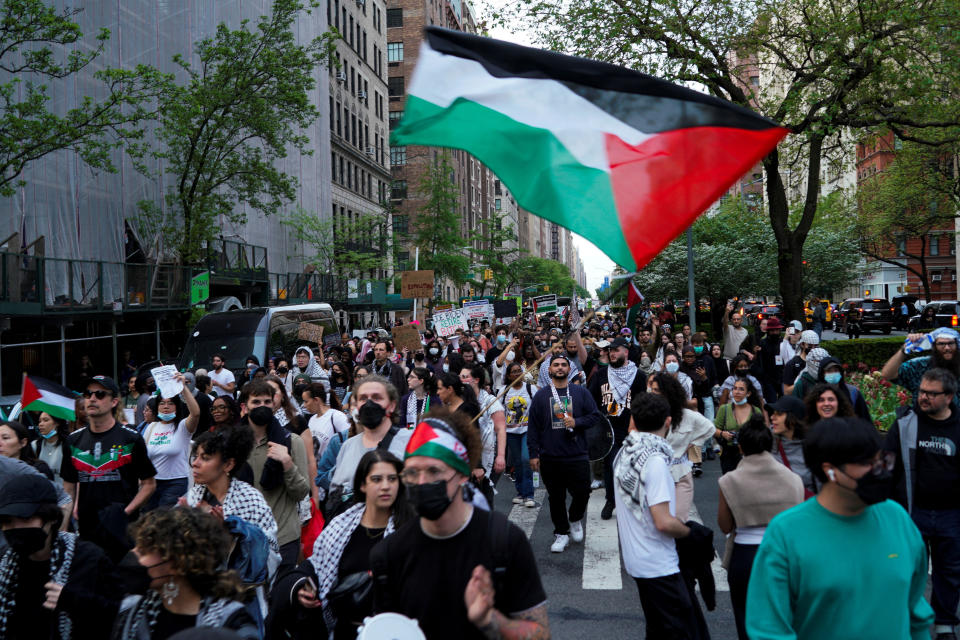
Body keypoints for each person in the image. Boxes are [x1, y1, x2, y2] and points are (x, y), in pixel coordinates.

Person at [746, 417, 934, 639]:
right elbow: (769, 629)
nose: (880, 470)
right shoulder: (787, 533)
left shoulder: (897, 518)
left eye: (881, 460)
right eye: (867, 464)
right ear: (830, 471)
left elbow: (915, 608)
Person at [371, 411, 550, 639]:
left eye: (434, 471)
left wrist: (490, 620)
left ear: (463, 474)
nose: (422, 482)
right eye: (412, 473)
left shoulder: (504, 540)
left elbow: (540, 633)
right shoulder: (389, 554)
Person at [277, 450, 412, 640]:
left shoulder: (407, 532)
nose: (385, 486)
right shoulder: (342, 525)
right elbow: (316, 567)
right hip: (342, 630)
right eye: (377, 479)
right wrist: (304, 589)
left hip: (388, 632)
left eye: (392, 479)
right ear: (363, 485)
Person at [614, 392, 709, 640]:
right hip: (659, 565)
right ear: (668, 422)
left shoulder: (626, 452)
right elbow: (664, 521)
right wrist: (691, 532)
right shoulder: (654, 461)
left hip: (638, 561)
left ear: (633, 419)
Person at [885, 368, 960, 640]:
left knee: (949, 572)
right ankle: (910, 621)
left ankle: (944, 624)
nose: (924, 398)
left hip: (951, 514)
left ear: (949, 397)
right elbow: (887, 466)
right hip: (912, 512)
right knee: (910, 570)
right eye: (922, 392)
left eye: (932, 393)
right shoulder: (906, 423)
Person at [0, 474, 121, 640]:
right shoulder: (4, 563)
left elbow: (117, 615)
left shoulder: (89, 560)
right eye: (7, 521)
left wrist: (74, 601)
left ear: (51, 518)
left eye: (25, 518)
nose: (15, 528)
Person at [717, 416, 804, 640]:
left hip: (744, 555)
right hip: (782, 553)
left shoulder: (729, 480)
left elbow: (725, 525)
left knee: (746, 620)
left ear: (740, 447)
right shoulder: (793, 479)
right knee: (783, 618)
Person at [113, 507, 259, 639]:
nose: (132, 556)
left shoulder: (230, 622)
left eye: (144, 551)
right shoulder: (131, 611)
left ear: (178, 562)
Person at [61, 375, 157, 561]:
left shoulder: (131, 438)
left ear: (114, 401)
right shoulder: (73, 441)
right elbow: (68, 489)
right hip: (88, 531)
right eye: (88, 394)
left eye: (99, 394)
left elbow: (149, 484)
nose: (92, 398)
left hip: (123, 531)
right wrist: (64, 526)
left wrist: (126, 512)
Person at [527, 354, 603, 553]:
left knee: (583, 492)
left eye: (563, 365)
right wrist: (533, 453)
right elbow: (533, 427)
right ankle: (561, 533)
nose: (560, 368)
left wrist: (577, 422)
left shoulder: (580, 392)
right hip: (550, 456)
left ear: (569, 370)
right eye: (556, 365)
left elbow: (595, 416)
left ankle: (576, 518)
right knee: (556, 497)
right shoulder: (541, 395)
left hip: (576, 453)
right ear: (549, 370)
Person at [238, 380, 310, 574]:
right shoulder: (232, 444)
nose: (263, 407)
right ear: (244, 407)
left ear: (274, 405)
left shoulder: (291, 442)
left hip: (283, 538)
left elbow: (301, 492)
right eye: (256, 402)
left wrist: (287, 463)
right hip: (244, 538)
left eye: (267, 402)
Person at [327, 376, 412, 508]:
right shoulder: (348, 446)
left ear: (391, 405)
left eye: (377, 397)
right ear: (356, 406)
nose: (369, 403)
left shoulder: (410, 441)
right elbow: (336, 492)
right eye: (363, 398)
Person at [589, 337, 648, 520]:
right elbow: (592, 400)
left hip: (631, 428)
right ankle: (610, 500)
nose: (612, 354)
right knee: (610, 466)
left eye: (616, 350)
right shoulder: (601, 374)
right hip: (608, 428)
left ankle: (631, 500)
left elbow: (644, 403)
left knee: (631, 466)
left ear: (626, 352)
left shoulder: (638, 376)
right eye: (610, 351)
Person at [647, 373, 715, 520]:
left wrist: (691, 444)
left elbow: (709, 428)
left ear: (668, 392)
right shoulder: (649, 414)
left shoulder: (687, 415)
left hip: (680, 476)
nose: (653, 393)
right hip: (655, 476)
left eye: (657, 390)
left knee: (677, 520)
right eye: (652, 389)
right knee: (657, 522)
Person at [142, 375, 201, 510]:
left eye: (170, 403)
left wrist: (183, 388)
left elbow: (196, 413)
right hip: (152, 483)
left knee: (166, 523)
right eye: (162, 403)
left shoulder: (182, 427)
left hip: (175, 483)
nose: (166, 406)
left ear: (177, 406)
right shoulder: (151, 427)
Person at [459, 364, 507, 506]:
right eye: (460, 377)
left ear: (476, 380)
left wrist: (501, 456)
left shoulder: (490, 401)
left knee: (485, 495)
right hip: (466, 456)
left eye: (465, 377)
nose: (461, 380)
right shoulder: (460, 400)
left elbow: (501, 428)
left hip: (489, 455)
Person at [883, 327, 960, 406]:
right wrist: (904, 349)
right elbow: (888, 375)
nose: (947, 348)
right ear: (934, 346)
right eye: (941, 344)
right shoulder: (919, 365)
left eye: (950, 343)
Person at [501, 362, 538, 508]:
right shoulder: (503, 391)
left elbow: (539, 406)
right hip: (510, 432)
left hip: (527, 431)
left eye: (519, 371)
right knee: (517, 462)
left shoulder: (531, 388)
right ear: (509, 376)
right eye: (513, 372)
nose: (517, 374)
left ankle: (529, 494)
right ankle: (520, 493)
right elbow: (499, 411)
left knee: (525, 459)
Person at [766, 395, 815, 495]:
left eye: (779, 414)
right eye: (773, 413)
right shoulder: (768, 441)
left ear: (793, 419)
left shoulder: (813, 446)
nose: (772, 417)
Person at [714, 379, 764, 474]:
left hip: (750, 454)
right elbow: (714, 429)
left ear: (748, 393)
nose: (737, 392)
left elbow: (761, 433)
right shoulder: (724, 409)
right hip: (729, 453)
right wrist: (723, 434)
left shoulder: (755, 411)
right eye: (735, 388)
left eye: (741, 389)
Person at [817, 356, 872, 423]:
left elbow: (865, 420)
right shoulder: (816, 394)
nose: (833, 373)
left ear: (841, 372)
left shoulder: (853, 392)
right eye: (829, 371)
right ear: (822, 374)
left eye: (836, 370)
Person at [33, 412, 71, 486]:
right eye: (39, 421)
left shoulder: (68, 445)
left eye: (45, 420)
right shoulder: (35, 445)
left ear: (57, 423)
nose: (41, 424)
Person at [781, 330, 819, 396]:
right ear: (802, 344)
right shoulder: (792, 364)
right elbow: (786, 392)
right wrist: (802, 381)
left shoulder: (819, 362)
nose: (813, 349)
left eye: (815, 346)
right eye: (810, 346)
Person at [758, 317, 784, 402]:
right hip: (768, 378)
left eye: (777, 330)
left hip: (781, 377)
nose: (775, 332)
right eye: (772, 330)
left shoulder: (783, 342)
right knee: (771, 401)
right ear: (768, 331)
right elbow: (760, 361)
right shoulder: (763, 343)